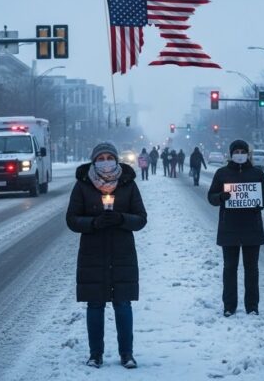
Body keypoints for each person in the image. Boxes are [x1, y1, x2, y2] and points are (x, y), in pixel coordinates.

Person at [66, 142, 147, 370]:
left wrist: (122, 219)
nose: (105, 161)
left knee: (123, 303)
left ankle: (127, 353)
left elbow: (141, 218)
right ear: (94, 161)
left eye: (108, 157)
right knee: (95, 304)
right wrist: (93, 222)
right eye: (100, 158)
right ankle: (95, 354)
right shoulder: (83, 186)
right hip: (93, 253)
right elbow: (71, 219)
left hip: (122, 253)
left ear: (116, 159)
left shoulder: (128, 185)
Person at [207, 140, 264, 317]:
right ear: (231, 153)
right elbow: (211, 197)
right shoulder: (222, 173)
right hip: (230, 228)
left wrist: (260, 202)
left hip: (252, 228)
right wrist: (221, 196)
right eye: (237, 151)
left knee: (251, 270)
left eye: (243, 151)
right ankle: (229, 305)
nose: (240, 154)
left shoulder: (257, 173)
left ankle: (252, 306)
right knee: (230, 269)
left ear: (248, 153)